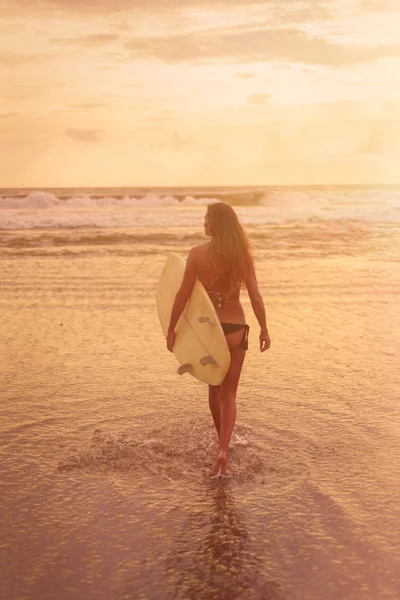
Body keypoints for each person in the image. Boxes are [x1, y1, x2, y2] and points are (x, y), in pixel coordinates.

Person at [166, 202, 271, 477]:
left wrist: (171, 328)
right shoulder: (242, 256)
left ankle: (220, 448)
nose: (203, 223)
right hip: (237, 329)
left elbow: (182, 295)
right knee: (230, 393)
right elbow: (256, 296)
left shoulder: (197, 255)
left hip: (210, 332)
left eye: (206, 218)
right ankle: (224, 447)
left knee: (214, 390)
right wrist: (264, 329)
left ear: (215, 223)